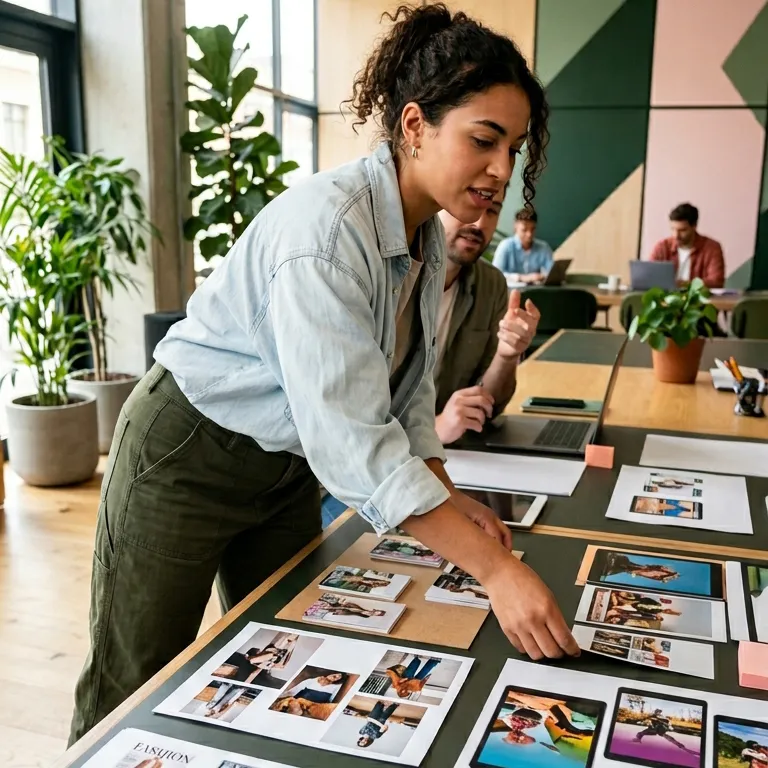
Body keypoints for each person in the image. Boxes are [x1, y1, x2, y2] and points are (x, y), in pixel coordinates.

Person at [69, 3, 577, 745]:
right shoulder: (329, 230)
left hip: (283, 468)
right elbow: (351, 443)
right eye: (484, 140)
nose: (503, 170)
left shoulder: (423, 237)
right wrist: (495, 571)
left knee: (275, 658)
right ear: (413, 127)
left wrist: (444, 490)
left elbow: (405, 396)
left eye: (515, 147)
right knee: (136, 678)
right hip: (186, 456)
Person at [434, 188, 541, 445]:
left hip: (459, 456)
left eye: (492, 210)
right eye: (469, 205)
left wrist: (507, 355)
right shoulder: (389, 281)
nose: (480, 222)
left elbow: (489, 406)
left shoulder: (490, 284)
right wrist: (434, 429)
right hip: (385, 467)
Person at [649, 203, 725, 288]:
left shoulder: (712, 248)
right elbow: (650, 276)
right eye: (673, 229)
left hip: (697, 300)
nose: (676, 235)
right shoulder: (662, 247)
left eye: (682, 230)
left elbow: (716, 281)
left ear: (694, 226)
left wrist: (684, 284)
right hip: (664, 298)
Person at [492, 208, 554, 283]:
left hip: (535, 291)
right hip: (509, 291)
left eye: (532, 229)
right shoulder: (505, 246)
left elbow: (552, 273)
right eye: (524, 230)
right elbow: (495, 274)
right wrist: (522, 277)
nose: (529, 234)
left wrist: (543, 276)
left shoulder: (543, 247)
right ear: (516, 226)